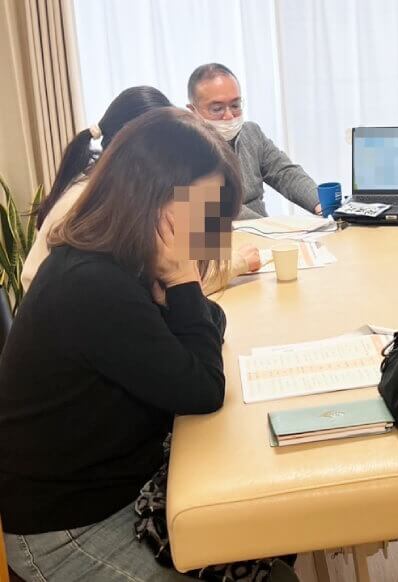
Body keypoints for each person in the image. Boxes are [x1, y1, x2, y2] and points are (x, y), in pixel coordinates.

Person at [0, 107, 277, 581]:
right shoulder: (93, 284)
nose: (211, 232)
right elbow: (202, 388)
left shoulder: (123, 262)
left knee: (265, 542)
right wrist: (183, 281)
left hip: (122, 486)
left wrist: (182, 290)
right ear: (152, 201)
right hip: (67, 530)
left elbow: (210, 321)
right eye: (204, 212)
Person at [21, 86, 261, 293]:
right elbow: (178, 286)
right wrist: (236, 263)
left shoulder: (129, 190)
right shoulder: (94, 203)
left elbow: (200, 261)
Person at [186, 63, 321, 219]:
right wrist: (273, 228)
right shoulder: (183, 152)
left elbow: (284, 173)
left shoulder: (251, 133)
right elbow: (217, 209)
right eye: (217, 109)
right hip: (221, 231)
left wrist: (320, 202)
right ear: (193, 111)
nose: (229, 115)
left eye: (235, 105)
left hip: (265, 229)